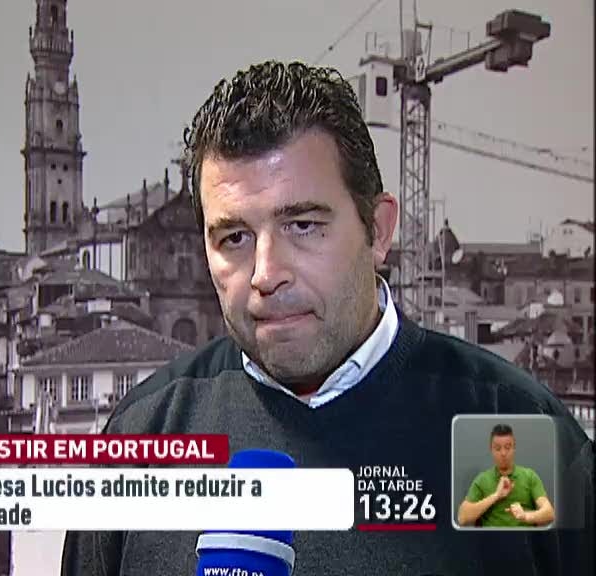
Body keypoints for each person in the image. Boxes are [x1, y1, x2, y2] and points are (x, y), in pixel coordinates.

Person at [61, 61, 593, 575]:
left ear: (378, 230)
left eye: (303, 226)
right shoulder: (143, 438)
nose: (265, 273)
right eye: (234, 238)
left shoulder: (517, 430)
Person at [457, 424, 555, 528]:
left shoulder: (529, 476)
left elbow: (549, 513)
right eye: (497, 448)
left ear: (514, 448)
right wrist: (496, 496)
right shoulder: (482, 480)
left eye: (508, 447)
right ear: (491, 449)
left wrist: (526, 516)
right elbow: (462, 518)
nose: (503, 453)